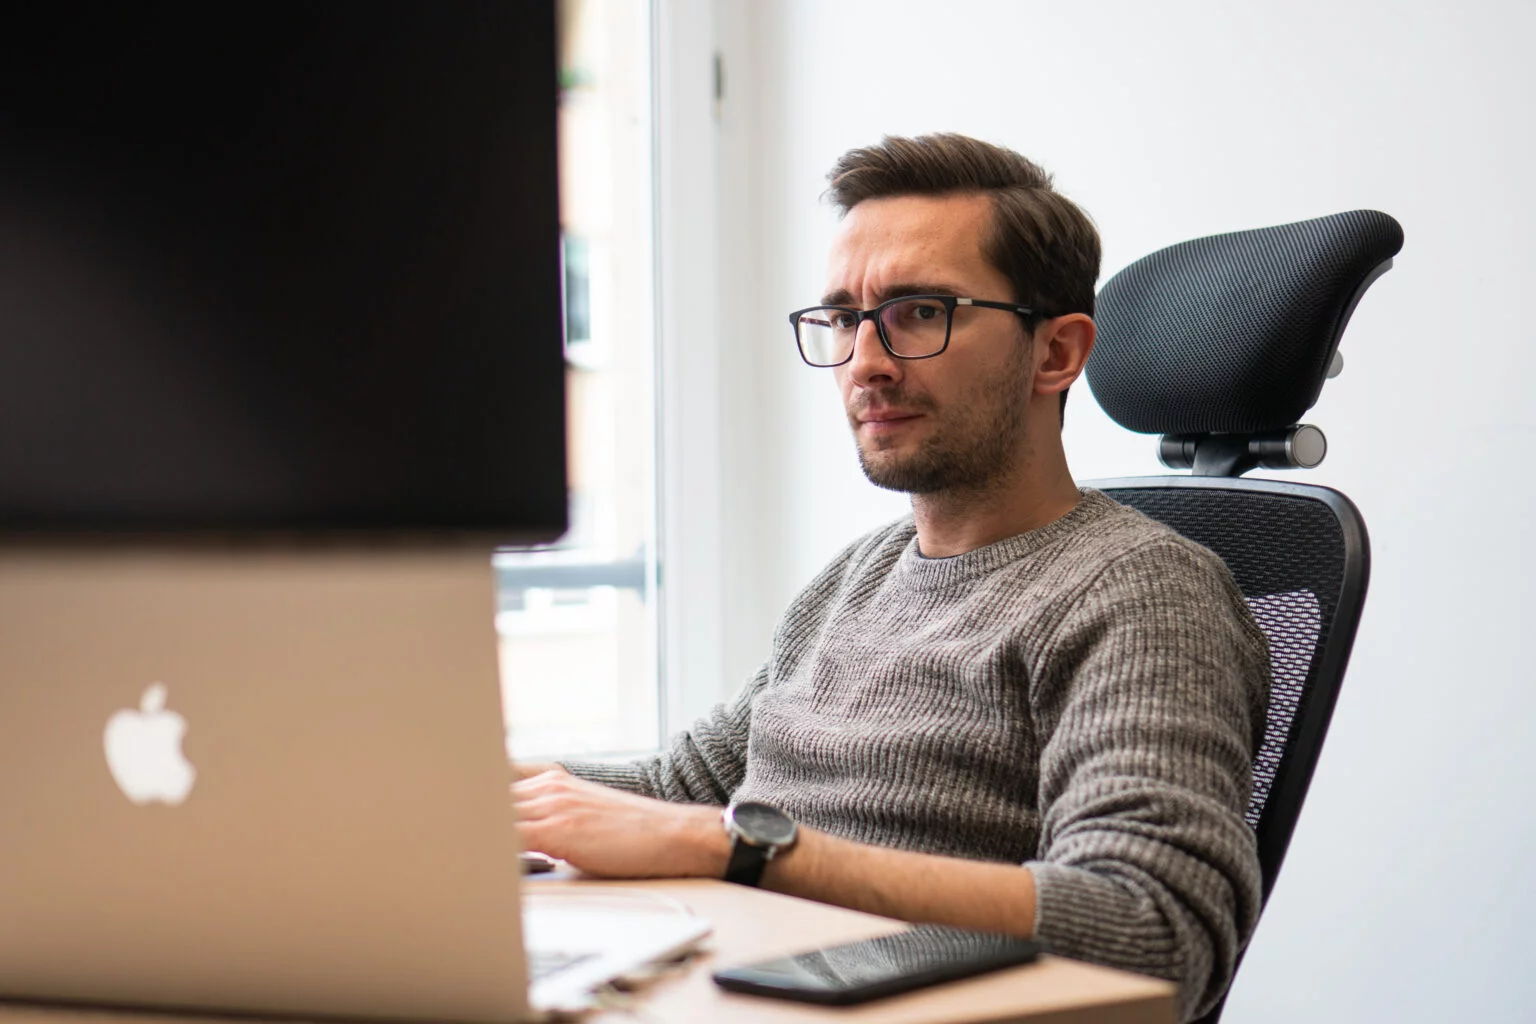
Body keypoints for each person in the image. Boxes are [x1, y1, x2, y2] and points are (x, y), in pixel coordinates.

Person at [513, 133, 1270, 1022]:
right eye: (843, 318)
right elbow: (691, 787)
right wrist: (460, 791)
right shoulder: (861, 572)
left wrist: (742, 849)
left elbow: (1153, 931)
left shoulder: (1140, 591)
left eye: (919, 311)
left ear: (1056, 354)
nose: (864, 361)